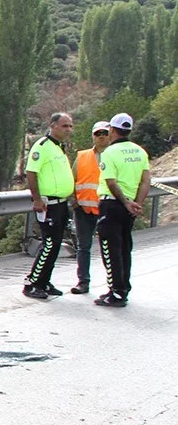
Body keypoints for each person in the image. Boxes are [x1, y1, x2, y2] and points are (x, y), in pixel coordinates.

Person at [94, 112, 150, 308]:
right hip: (130, 206)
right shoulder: (140, 152)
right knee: (125, 247)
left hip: (112, 204)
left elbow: (111, 182)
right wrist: (137, 204)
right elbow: (145, 181)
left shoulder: (109, 153)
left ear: (112, 130)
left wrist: (125, 202)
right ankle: (123, 287)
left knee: (111, 249)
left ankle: (115, 291)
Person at [22, 112, 76, 300]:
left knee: (55, 245)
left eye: (70, 126)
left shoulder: (59, 147)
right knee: (49, 244)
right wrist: (37, 199)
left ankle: (45, 281)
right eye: (64, 126)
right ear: (52, 125)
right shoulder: (42, 146)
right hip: (48, 204)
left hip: (61, 203)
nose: (68, 129)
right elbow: (31, 172)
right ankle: (32, 282)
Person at [70, 121, 111, 295]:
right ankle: (83, 282)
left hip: (107, 209)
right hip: (84, 210)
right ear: (93, 136)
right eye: (97, 133)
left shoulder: (114, 155)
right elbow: (71, 179)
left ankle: (114, 284)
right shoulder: (82, 156)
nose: (101, 136)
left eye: (105, 133)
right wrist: (74, 200)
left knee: (109, 248)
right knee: (83, 247)